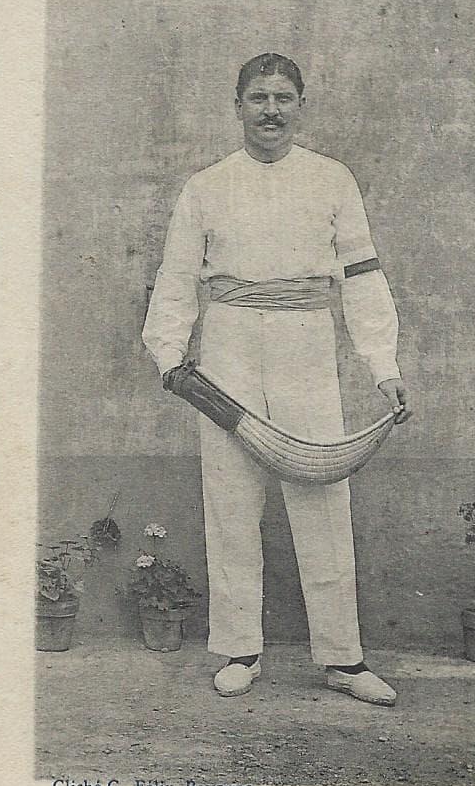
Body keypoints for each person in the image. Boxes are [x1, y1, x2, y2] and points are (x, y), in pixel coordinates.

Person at [143, 52, 411, 706]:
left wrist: (384, 368)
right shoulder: (205, 186)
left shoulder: (332, 179)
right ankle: (239, 649)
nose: (270, 109)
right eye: (258, 97)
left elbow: (362, 277)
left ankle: (343, 659)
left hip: (306, 344)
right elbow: (178, 279)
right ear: (237, 105)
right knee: (232, 500)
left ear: (300, 105)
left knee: (321, 494)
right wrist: (170, 353)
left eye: (283, 97)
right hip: (229, 346)